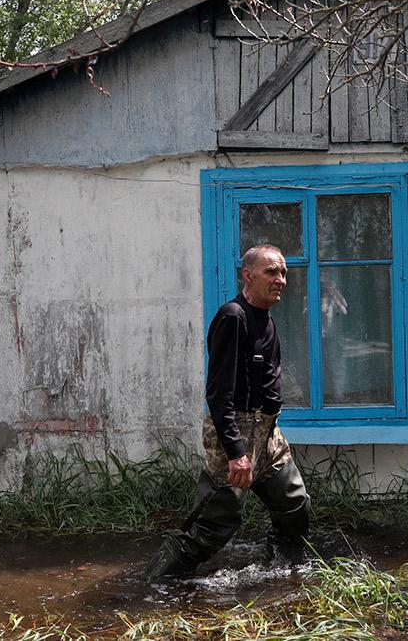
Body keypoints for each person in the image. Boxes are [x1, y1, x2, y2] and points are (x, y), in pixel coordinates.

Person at [143, 244, 311, 582]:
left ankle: (284, 565)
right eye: (271, 272)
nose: (280, 279)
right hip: (237, 430)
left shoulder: (266, 317)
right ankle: (157, 584)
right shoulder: (233, 317)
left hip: (267, 433)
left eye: (283, 273)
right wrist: (236, 452)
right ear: (248, 275)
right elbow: (218, 392)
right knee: (215, 524)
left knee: (294, 503)